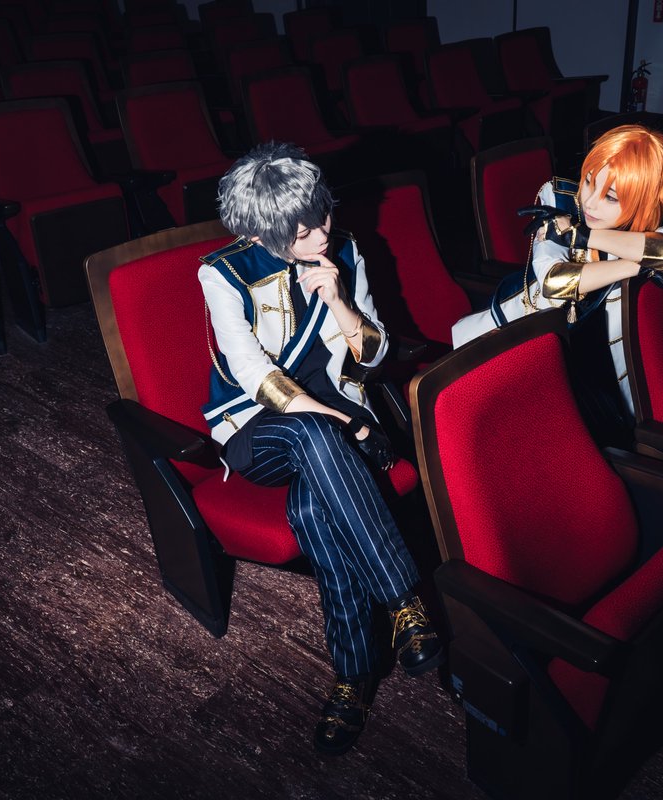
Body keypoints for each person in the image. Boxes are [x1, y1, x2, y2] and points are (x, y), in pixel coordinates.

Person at [197, 142, 443, 756]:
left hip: (337, 422)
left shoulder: (347, 253)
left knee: (313, 512)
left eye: (321, 214)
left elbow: (376, 355)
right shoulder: (223, 273)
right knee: (312, 432)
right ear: (263, 232)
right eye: (302, 229)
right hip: (259, 427)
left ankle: (352, 677)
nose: (321, 233)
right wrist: (346, 425)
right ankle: (405, 599)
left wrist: (338, 301)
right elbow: (252, 372)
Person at [457, 124, 663, 443]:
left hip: (583, 366)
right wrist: (641, 267)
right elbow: (554, 281)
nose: (590, 203)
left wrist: (582, 235)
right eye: (588, 181)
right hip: (505, 346)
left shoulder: (655, 221)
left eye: (610, 196)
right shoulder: (556, 200)